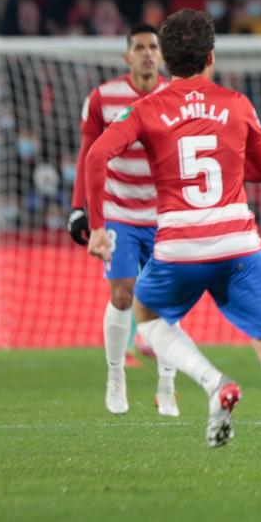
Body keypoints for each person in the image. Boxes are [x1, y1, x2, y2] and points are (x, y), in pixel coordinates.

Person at [83, 9, 261, 480]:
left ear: (167, 62)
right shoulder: (237, 103)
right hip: (238, 245)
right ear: (211, 57)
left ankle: (213, 382)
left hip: (179, 246)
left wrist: (99, 227)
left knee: (144, 317)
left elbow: (98, 153)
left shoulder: (146, 108)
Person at [67, 22, 178, 417]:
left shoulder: (176, 96)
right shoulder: (103, 98)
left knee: (167, 301)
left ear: (162, 55)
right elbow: (88, 154)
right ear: (126, 55)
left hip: (166, 214)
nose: (148, 53)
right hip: (118, 213)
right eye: (140, 47)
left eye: (154, 47)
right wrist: (80, 207)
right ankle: (116, 376)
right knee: (121, 295)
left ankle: (167, 385)